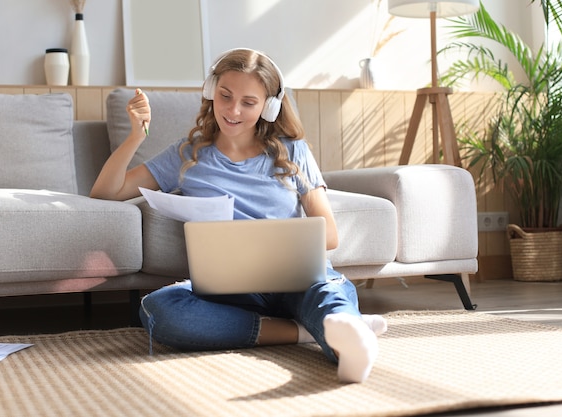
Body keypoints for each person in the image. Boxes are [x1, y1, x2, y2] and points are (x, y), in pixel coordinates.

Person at [90, 48, 387, 383]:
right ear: (210, 92)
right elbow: (105, 193)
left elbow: (329, 234)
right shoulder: (187, 155)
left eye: (248, 102)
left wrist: (274, 242)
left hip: (297, 280)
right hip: (227, 292)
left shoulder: (292, 151)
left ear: (268, 107)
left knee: (328, 290)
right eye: (225, 96)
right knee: (160, 309)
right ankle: (307, 332)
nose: (232, 110)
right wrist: (135, 136)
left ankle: (345, 331)